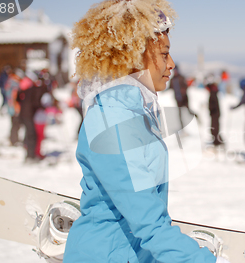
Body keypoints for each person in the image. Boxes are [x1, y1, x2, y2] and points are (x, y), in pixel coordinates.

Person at [63, 1, 228, 263]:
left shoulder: (131, 110)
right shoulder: (114, 121)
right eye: (164, 54)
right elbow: (149, 225)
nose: (172, 64)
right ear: (133, 56)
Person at [169, 64, 198, 130]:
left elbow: (186, 86)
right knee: (179, 114)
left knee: (189, 111)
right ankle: (182, 127)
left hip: (184, 98)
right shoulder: (172, 79)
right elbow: (170, 87)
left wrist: (183, 91)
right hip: (177, 98)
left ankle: (197, 119)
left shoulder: (181, 78)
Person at [5, 68, 24, 146]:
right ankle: (13, 139)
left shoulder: (10, 81)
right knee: (15, 124)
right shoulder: (15, 83)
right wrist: (16, 108)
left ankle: (13, 138)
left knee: (14, 123)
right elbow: (14, 97)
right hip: (14, 108)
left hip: (12, 107)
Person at [205, 74, 224, 147]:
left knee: (214, 128)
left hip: (214, 114)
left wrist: (211, 110)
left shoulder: (213, 93)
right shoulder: (214, 92)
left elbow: (213, 105)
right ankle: (217, 141)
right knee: (215, 128)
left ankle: (217, 142)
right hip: (215, 113)